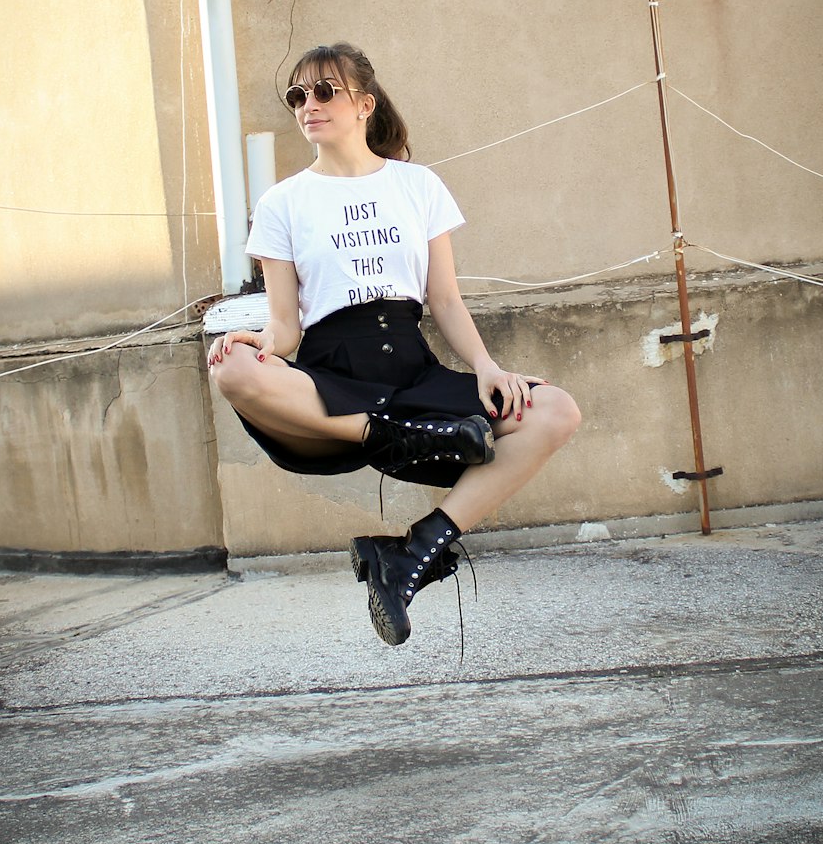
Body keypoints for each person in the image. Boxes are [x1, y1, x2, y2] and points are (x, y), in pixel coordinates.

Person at [207, 42, 581, 646]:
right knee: (230, 372)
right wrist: (257, 342)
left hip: (411, 368)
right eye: (297, 96)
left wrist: (485, 367)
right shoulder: (282, 203)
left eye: (324, 91)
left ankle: (412, 552)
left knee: (556, 409)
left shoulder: (418, 186)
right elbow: (286, 328)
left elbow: (446, 300)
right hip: (332, 376)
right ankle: (395, 436)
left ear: (363, 104)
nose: (309, 105)